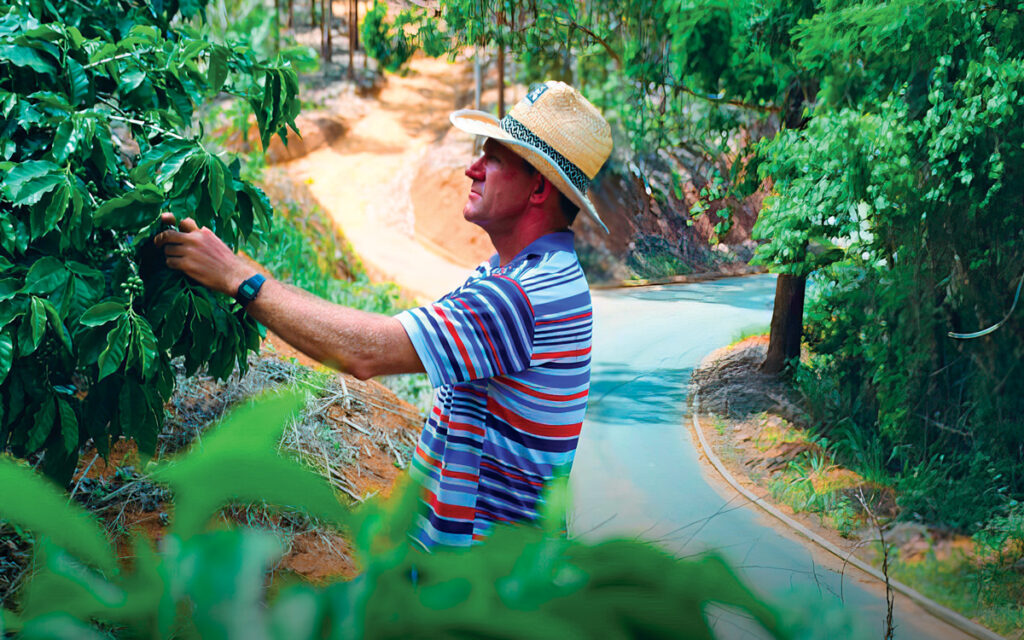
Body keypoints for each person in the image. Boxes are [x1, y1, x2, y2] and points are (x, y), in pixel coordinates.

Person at [155, 80, 613, 549]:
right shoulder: (524, 275)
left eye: (493, 158)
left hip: (479, 586)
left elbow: (363, 351)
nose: (472, 169)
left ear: (538, 187)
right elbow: (377, 330)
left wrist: (238, 278)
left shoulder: (520, 298)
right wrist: (238, 268)